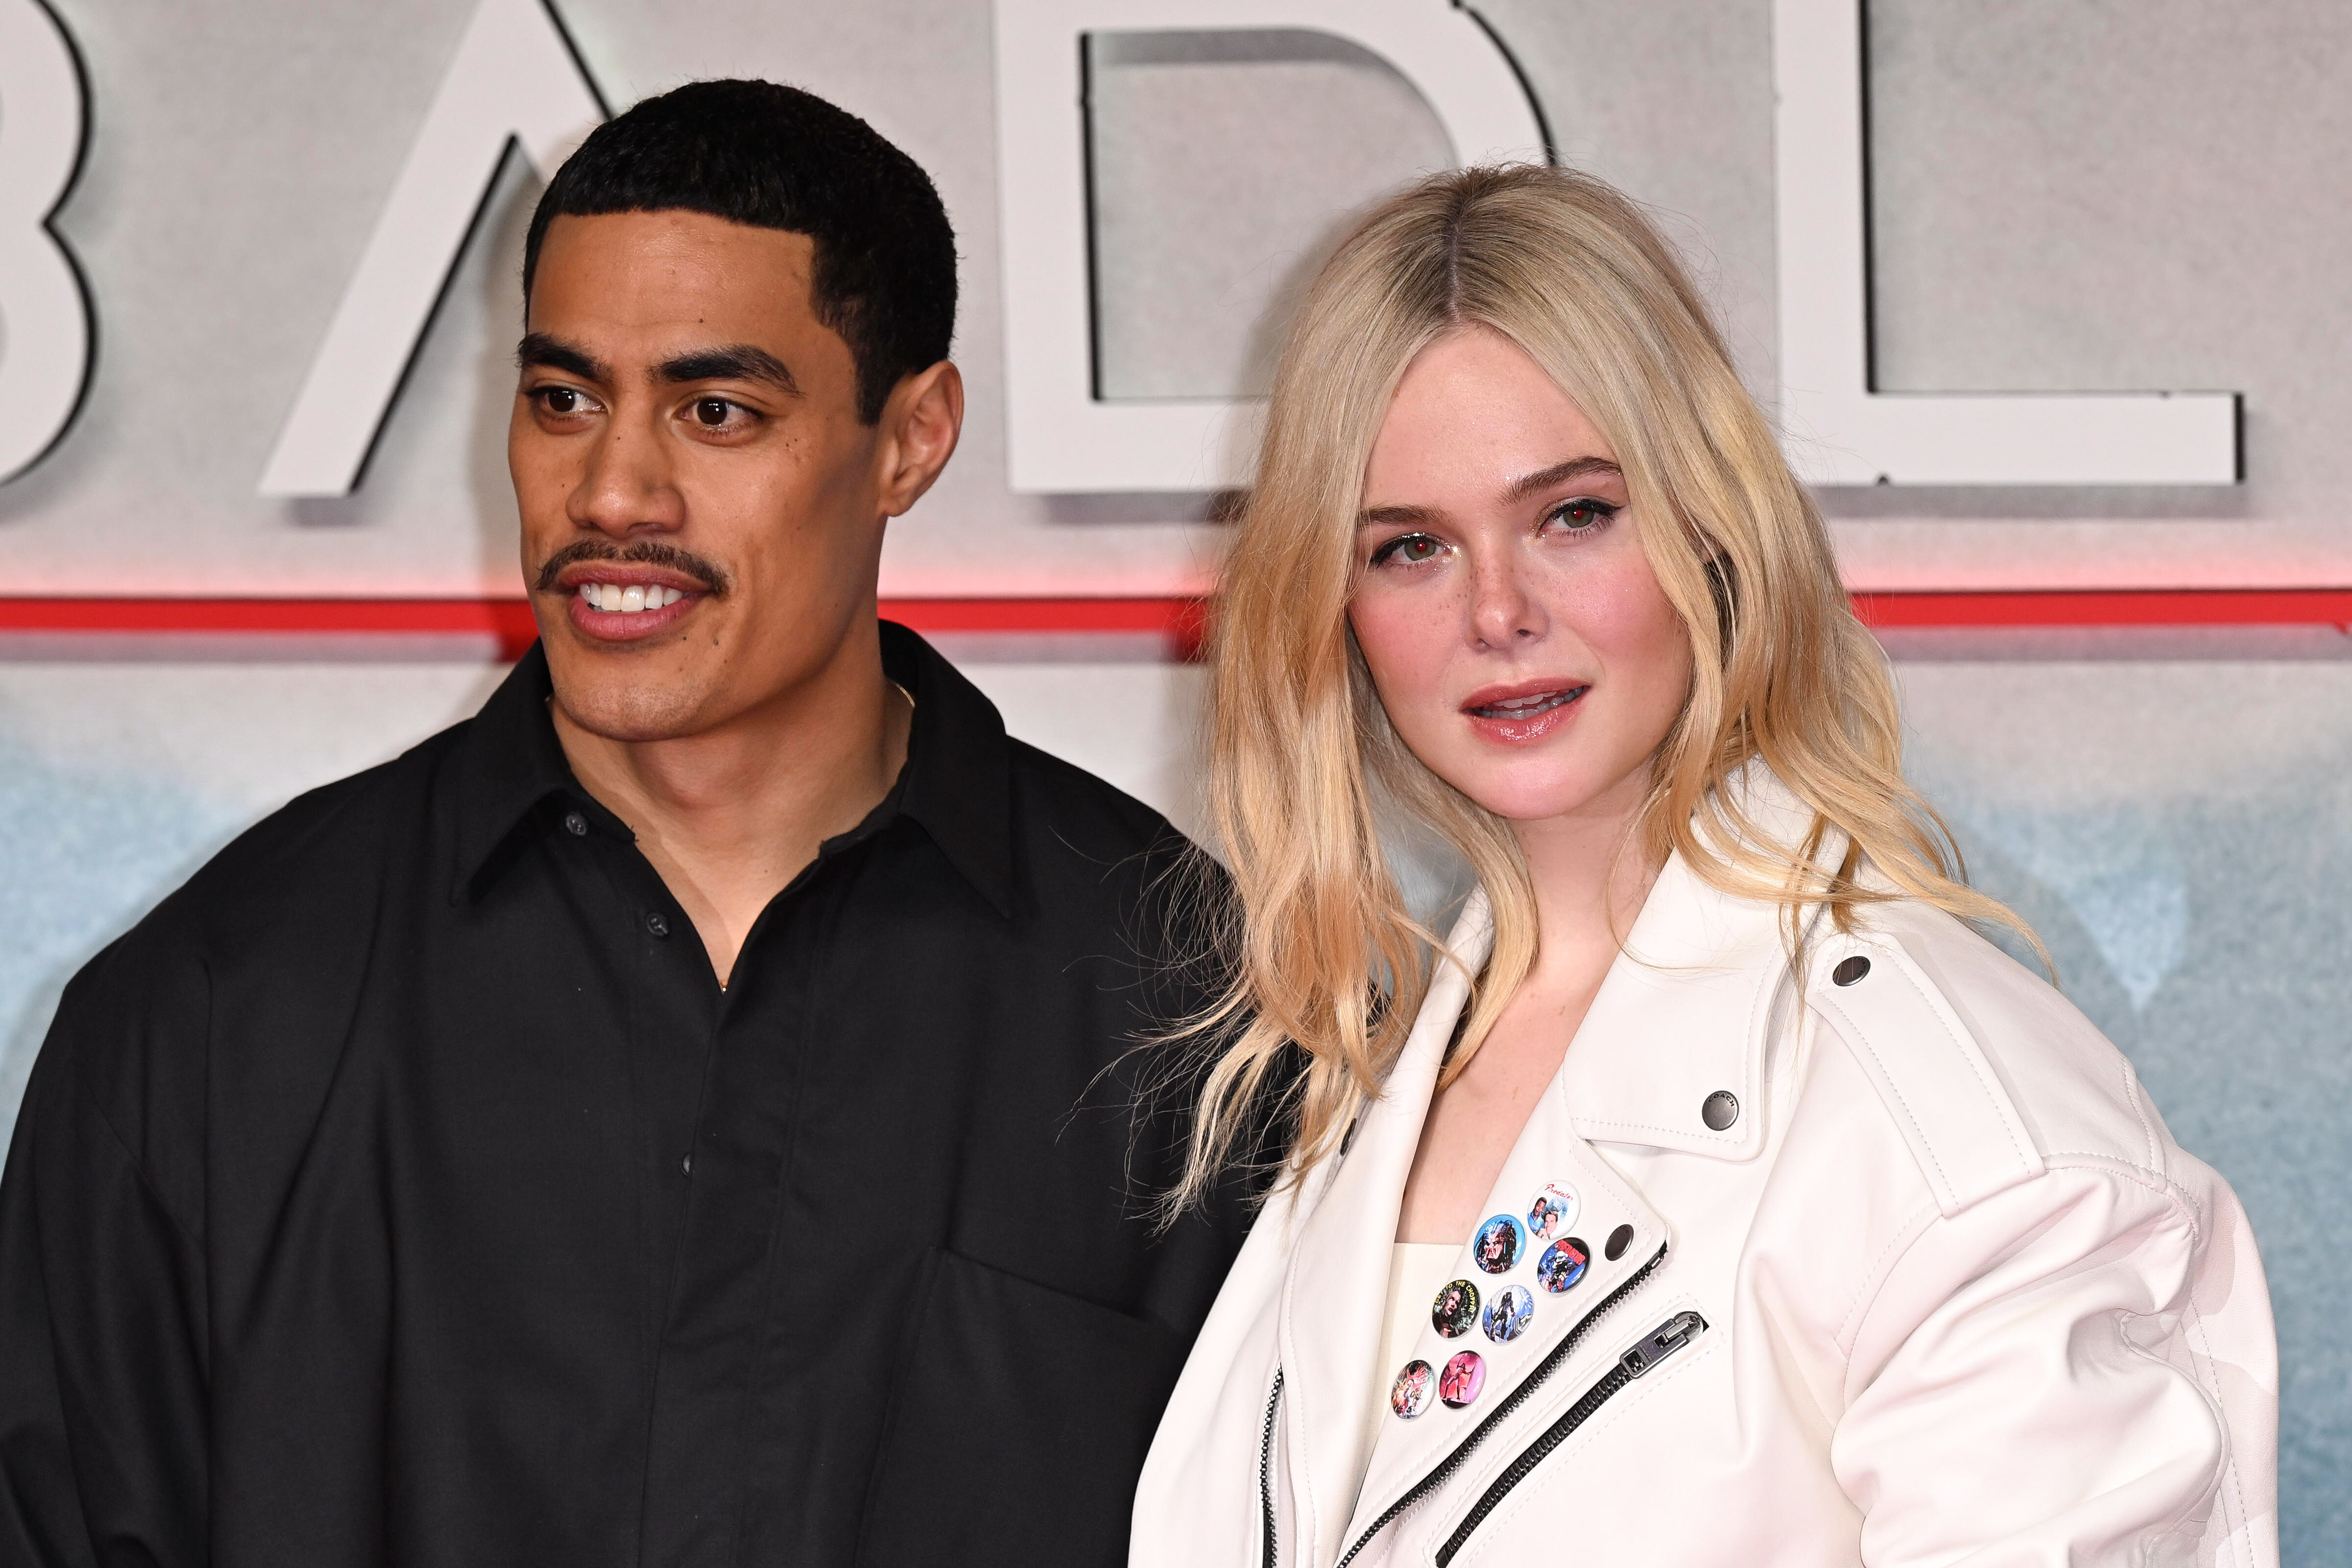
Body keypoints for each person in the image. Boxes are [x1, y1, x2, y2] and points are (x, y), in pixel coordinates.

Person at [0, 80, 1250, 1567]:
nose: (610, 492)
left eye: (717, 412)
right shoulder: (211, 1016)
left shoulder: (1198, 1013)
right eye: (564, 399)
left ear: (912, 439)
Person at [1130, 165, 2278, 1566]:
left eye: (1574, 514)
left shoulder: (1959, 1124)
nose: (1497, 612)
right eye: (1411, 547)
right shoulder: (1362, 1079)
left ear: (1710, 527)